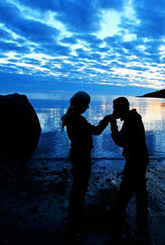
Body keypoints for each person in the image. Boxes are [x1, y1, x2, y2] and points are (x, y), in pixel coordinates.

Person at [61, 91, 113, 235]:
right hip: (81, 156)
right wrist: (106, 120)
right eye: (86, 104)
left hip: (76, 154)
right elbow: (96, 131)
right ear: (81, 104)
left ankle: (74, 212)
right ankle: (75, 215)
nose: (88, 107)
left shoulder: (70, 116)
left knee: (78, 184)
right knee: (80, 185)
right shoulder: (78, 120)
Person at [110, 97, 149, 236]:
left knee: (126, 189)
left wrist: (113, 125)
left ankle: (118, 217)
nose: (114, 111)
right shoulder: (132, 118)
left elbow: (120, 141)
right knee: (139, 189)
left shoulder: (131, 120)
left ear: (122, 108)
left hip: (136, 160)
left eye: (115, 108)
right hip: (140, 158)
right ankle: (142, 219)